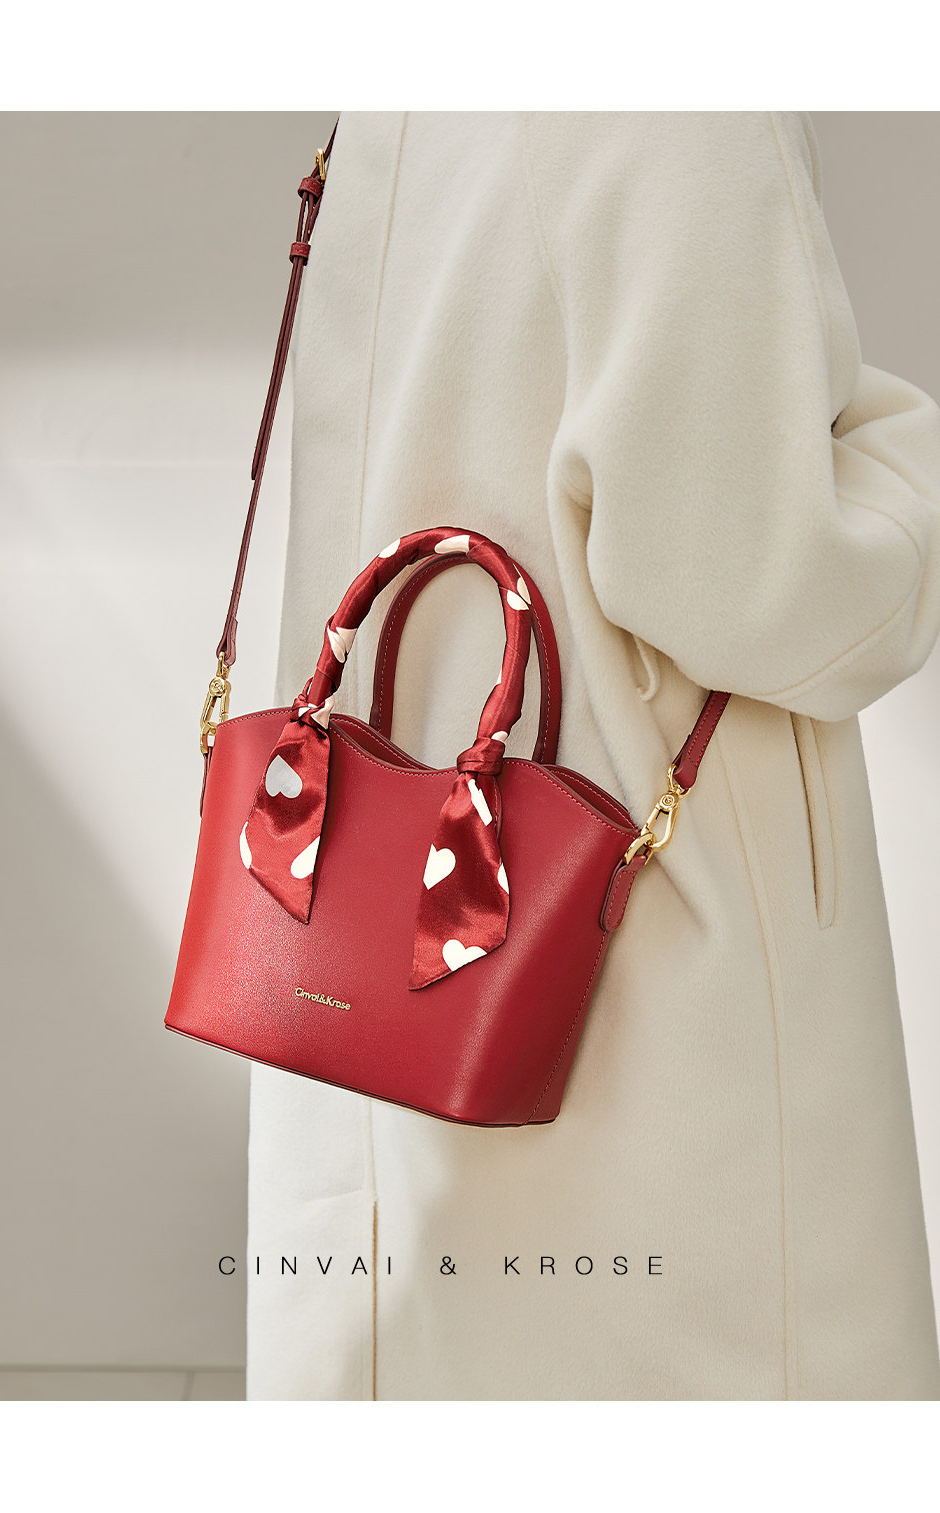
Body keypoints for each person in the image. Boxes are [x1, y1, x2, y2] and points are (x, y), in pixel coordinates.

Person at [246, 111, 940, 1400]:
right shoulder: (676, 95)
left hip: (362, 923)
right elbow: (760, 580)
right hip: (645, 973)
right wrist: (905, 467)